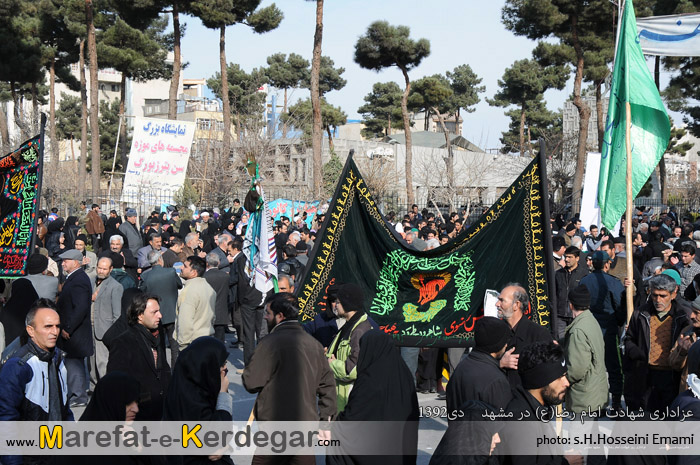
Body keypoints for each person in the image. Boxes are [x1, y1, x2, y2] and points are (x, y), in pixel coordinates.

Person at [328, 331, 419, 465]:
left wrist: (335, 423)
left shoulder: (369, 380)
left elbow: (352, 419)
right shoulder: (403, 374)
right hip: (399, 449)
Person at [0, 302, 73, 465]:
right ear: (30, 330)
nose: (54, 332)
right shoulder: (18, 366)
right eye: (48, 326)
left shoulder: (59, 359)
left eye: (57, 326)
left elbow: (65, 410)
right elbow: (6, 419)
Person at [500, 341, 581, 465]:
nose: (567, 383)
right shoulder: (521, 421)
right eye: (560, 377)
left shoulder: (537, 408)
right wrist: (565, 462)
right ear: (541, 380)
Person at [624, 273, 690, 412]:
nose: (658, 300)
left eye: (663, 296)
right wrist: (636, 353)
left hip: (670, 377)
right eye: (655, 295)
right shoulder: (641, 314)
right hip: (646, 375)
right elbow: (629, 338)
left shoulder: (682, 317)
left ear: (673, 294)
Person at [162, 336, 233, 465]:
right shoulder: (193, 401)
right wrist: (223, 396)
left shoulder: (187, 387)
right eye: (221, 363)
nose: (225, 368)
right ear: (207, 365)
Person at [106, 293, 171, 420]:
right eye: (154, 312)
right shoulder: (123, 342)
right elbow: (115, 384)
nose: (160, 315)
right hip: (139, 417)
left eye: (159, 311)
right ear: (140, 316)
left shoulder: (156, 337)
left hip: (161, 415)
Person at [579, 250, 625, 410]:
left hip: (588, 330)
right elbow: (620, 306)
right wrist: (619, 321)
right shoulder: (614, 282)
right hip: (608, 330)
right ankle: (617, 403)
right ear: (607, 264)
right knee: (613, 367)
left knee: (593, 368)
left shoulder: (584, 281)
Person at [446, 316, 512, 418]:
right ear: (497, 344)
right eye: (504, 342)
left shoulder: (461, 368)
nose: (506, 345)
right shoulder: (495, 380)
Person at [326, 283, 374, 412]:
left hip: (350, 399)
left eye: (338, 302)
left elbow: (353, 369)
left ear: (348, 304)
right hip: (340, 397)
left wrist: (331, 363)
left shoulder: (359, 330)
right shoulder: (349, 325)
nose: (335, 305)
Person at [562, 285, 608, 415]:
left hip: (584, 396)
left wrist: (563, 380)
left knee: (580, 435)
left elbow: (577, 369)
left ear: (571, 305)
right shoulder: (591, 321)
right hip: (595, 392)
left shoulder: (577, 331)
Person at [496, 283, 552, 388]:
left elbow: (547, 371)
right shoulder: (495, 332)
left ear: (516, 305)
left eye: (502, 300)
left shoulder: (538, 334)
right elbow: (482, 363)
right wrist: (500, 364)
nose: (497, 304)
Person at [56, 248, 93, 407]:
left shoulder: (79, 280)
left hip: (74, 333)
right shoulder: (74, 278)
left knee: (74, 364)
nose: (63, 264)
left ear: (76, 262)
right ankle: (76, 394)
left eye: (66, 261)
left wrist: (68, 328)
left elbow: (80, 307)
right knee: (72, 363)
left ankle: (78, 396)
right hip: (72, 331)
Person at [140, 249, 183, 368]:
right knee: (174, 346)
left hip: (155, 316)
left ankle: (162, 370)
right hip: (171, 314)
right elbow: (179, 285)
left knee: (159, 346)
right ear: (160, 259)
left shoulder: (145, 276)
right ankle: (175, 371)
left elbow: (142, 293)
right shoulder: (170, 272)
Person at [89, 257, 123, 388]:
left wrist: (112, 334)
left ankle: (107, 389)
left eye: (104, 269)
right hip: (90, 326)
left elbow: (117, 314)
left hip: (104, 330)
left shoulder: (115, 286)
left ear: (111, 269)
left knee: (102, 362)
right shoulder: (91, 282)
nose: (101, 271)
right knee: (91, 362)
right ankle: (94, 388)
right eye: (99, 268)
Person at [174, 256, 216, 351]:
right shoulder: (209, 288)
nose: (181, 268)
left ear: (194, 272)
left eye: (185, 266)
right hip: (207, 339)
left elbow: (185, 320)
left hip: (192, 344)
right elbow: (213, 317)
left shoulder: (189, 291)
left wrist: (183, 345)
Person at [554, 246, 589, 339]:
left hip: (576, 315)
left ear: (577, 258)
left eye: (570, 257)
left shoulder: (584, 274)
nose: (566, 259)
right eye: (565, 257)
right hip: (560, 315)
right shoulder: (558, 274)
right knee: (561, 342)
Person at [669, 295, 700, 392]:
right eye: (692, 311)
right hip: (688, 394)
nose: (691, 316)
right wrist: (681, 352)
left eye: (696, 313)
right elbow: (673, 363)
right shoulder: (687, 331)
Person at [204, 252, 231, 343]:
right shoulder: (225, 276)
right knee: (219, 340)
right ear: (218, 263)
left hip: (206, 312)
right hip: (221, 312)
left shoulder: (204, 277)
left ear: (207, 263)